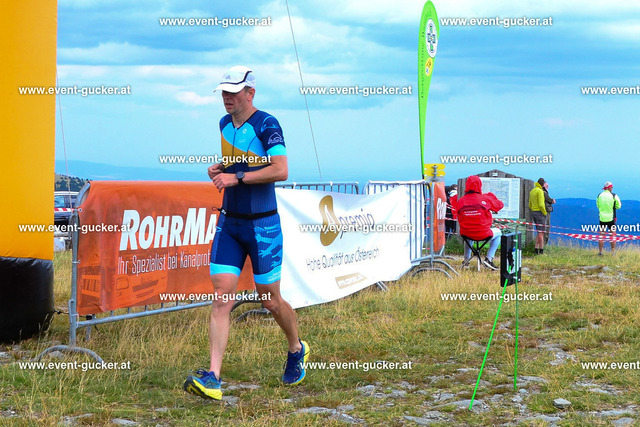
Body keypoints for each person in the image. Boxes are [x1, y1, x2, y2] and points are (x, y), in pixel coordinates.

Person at [183, 66, 309, 401]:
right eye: (223, 92)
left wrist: (236, 178)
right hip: (230, 223)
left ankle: (296, 348)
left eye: (233, 92)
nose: (227, 97)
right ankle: (213, 377)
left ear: (250, 93)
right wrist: (220, 169)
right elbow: (241, 163)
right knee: (221, 297)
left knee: (270, 300)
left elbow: (280, 170)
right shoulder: (224, 124)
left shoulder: (268, 124)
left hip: (262, 225)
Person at [457, 175, 504, 270]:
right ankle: (489, 259)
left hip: (466, 233)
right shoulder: (485, 199)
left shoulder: (461, 201)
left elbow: (458, 214)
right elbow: (499, 205)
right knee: (498, 232)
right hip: (483, 233)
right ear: (479, 185)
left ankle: (466, 260)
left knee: (469, 237)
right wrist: (491, 196)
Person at [596, 181, 621, 256]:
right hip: (611, 218)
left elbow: (598, 205)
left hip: (602, 218)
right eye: (612, 187)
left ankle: (600, 252)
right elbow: (618, 206)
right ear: (610, 188)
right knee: (612, 235)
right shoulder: (614, 195)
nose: (612, 188)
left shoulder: (600, 195)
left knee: (601, 235)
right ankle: (613, 252)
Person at [529, 178, 548, 255]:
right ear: (542, 184)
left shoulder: (532, 191)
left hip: (533, 211)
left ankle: (536, 248)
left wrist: (533, 209)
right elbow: (541, 204)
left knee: (539, 231)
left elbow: (530, 204)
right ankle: (541, 250)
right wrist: (544, 212)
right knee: (541, 232)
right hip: (539, 212)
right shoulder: (540, 191)